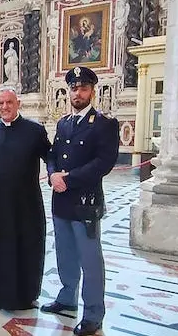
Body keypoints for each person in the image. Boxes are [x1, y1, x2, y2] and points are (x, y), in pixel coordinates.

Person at [41, 66, 119, 336]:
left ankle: (94, 314)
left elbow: (104, 162)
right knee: (65, 253)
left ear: (92, 91)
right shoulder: (63, 123)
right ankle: (67, 298)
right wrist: (52, 175)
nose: (77, 92)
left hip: (85, 202)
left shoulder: (104, 124)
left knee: (90, 260)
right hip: (61, 199)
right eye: (73, 88)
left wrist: (68, 178)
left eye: (83, 88)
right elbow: (53, 155)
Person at [0, 87, 51, 310]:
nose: (4, 107)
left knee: (20, 247)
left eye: (9, 102)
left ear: (18, 103)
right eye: (0, 103)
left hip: (24, 203)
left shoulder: (34, 130)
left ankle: (20, 295)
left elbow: (50, 157)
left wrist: (59, 173)